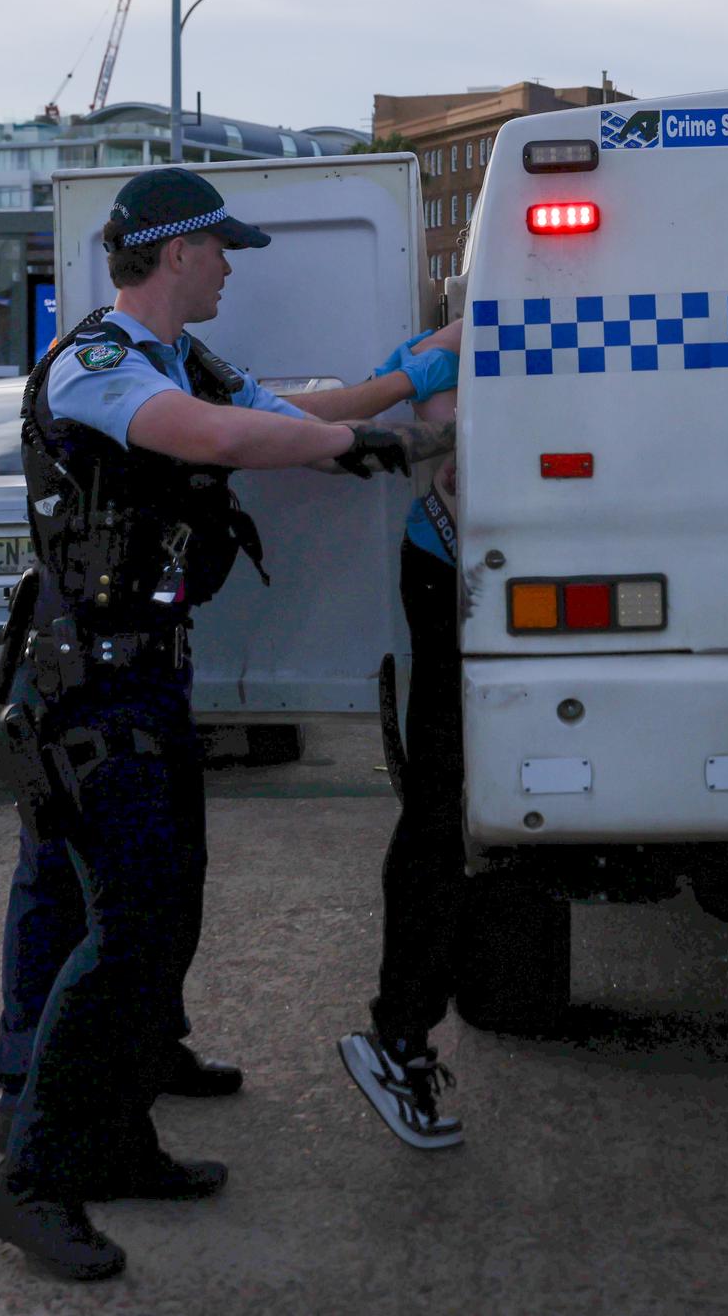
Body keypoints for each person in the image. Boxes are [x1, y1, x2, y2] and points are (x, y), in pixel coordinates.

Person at [0, 166, 451, 1281]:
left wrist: (403, 389)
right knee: (130, 931)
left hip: (141, 680)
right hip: (88, 687)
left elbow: (285, 417)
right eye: (221, 249)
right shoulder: (100, 364)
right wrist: (357, 448)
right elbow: (220, 441)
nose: (232, 266)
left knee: (163, 917)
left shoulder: (183, 358)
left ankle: (119, 1135)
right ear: (178, 252)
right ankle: (32, 1178)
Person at [336, 311, 471, 1149]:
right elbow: (363, 404)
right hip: (450, 575)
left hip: (496, 572)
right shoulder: (452, 341)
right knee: (440, 806)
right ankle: (398, 1039)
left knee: (452, 810)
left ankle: (402, 1036)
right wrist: (228, 415)